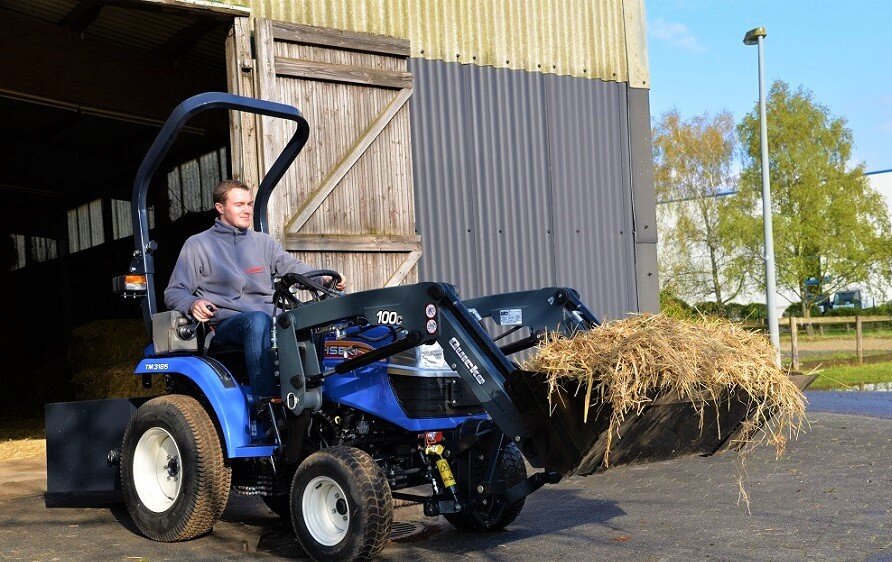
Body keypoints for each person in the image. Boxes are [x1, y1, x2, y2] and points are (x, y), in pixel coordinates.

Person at [164, 179, 346, 400]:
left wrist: (324, 278)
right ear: (220, 208)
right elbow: (174, 291)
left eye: (249, 204)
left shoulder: (264, 243)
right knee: (257, 321)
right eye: (239, 205)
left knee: (328, 311)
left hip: (272, 320)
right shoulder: (198, 245)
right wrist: (193, 304)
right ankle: (267, 403)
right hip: (228, 325)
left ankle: (324, 394)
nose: (247, 210)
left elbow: (294, 270)